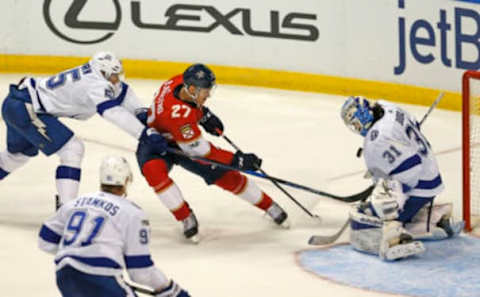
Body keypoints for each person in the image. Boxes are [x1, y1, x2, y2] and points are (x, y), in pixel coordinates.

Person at [135, 63, 289, 242]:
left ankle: (270, 206)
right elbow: (203, 151)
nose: (208, 94)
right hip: (156, 144)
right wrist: (236, 160)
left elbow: (188, 106)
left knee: (224, 175)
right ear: (192, 88)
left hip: (176, 136)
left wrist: (203, 115)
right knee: (155, 173)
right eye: (205, 91)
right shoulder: (180, 119)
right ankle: (185, 217)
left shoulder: (177, 81)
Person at [0, 51, 165, 207]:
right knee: (72, 149)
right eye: (114, 76)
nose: (117, 79)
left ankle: (66, 206)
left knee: (17, 156)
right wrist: (143, 134)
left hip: (21, 103)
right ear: (102, 73)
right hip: (26, 108)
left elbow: (122, 91)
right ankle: (67, 208)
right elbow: (112, 112)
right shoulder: (94, 84)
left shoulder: (98, 74)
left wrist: (140, 113)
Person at [38, 155, 190, 297]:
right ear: (126, 180)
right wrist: (170, 289)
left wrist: (77, 253)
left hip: (65, 275)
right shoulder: (132, 213)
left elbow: (45, 241)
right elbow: (140, 271)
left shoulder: (75, 204)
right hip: (101, 277)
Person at [340, 96, 464, 261]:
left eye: (355, 123)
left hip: (421, 183)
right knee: (386, 189)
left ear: (363, 117)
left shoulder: (377, 140)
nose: (356, 128)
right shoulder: (387, 107)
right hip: (430, 173)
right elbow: (412, 125)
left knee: (381, 198)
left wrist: (391, 195)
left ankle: (393, 236)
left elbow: (410, 169)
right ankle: (433, 217)